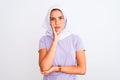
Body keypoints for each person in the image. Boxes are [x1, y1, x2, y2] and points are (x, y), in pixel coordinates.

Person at [38, 5, 86, 80]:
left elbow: (82, 70)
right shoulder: (44, 40)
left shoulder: (76, 39)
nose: (57, 22)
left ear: (65, 19)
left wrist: (56, 68)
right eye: (53, 19)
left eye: (60, 18)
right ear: (49, 21)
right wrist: (55, 41)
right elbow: (44, 68)